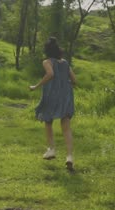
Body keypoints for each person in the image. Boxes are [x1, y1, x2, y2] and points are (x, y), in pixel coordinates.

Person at [29, 37, 76, 171]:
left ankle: (51, 149)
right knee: (66, 126)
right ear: (58, 51)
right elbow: (74, 80)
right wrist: (67, 86)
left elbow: (50, 74)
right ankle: (69, 157)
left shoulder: (47, 62)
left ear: (47, 51)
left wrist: (36, 86)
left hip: (52, 95)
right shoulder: (65, 63)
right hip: (66, 94)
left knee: (48, 121)